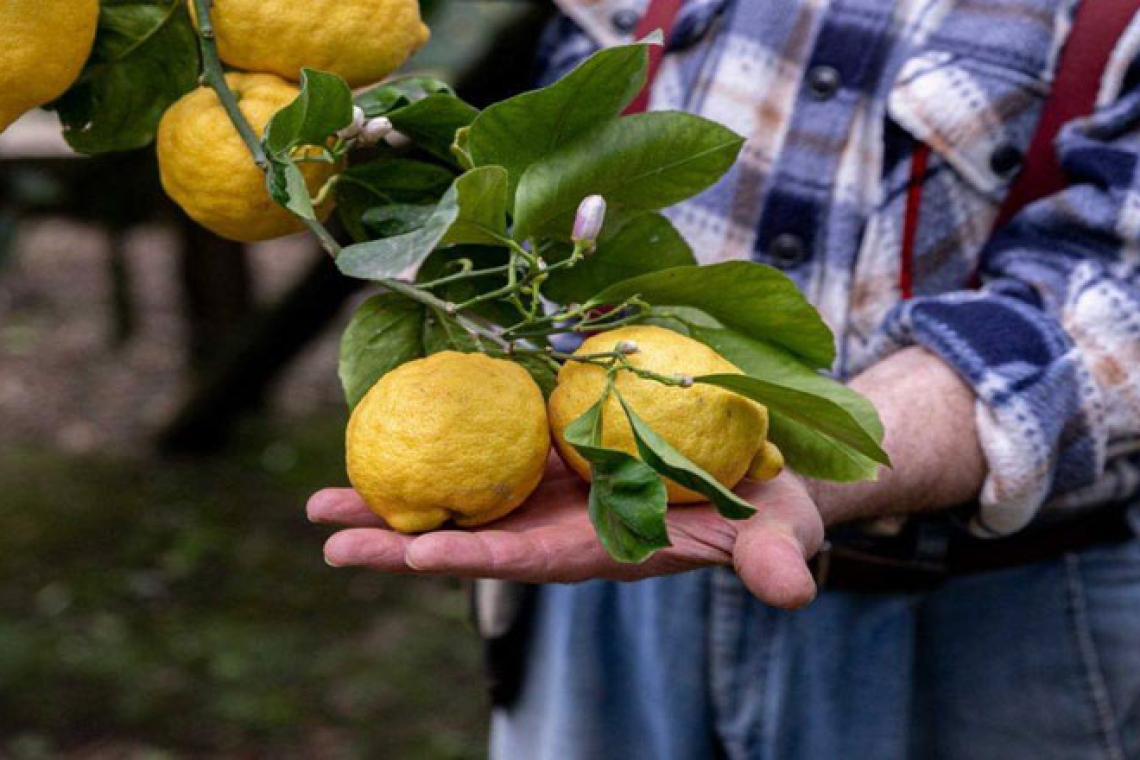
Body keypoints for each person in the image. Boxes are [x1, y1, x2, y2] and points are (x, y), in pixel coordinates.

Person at [308, 0, 1140, 756]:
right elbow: (546, 126)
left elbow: (1112, 308)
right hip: (610, 552)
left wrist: (812, 466)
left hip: (988, 615)